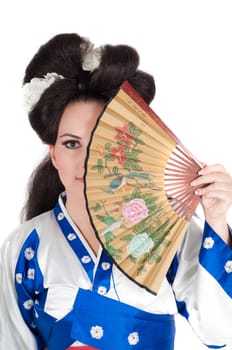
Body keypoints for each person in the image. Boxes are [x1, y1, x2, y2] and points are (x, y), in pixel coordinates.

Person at [0, 33, 232, 350]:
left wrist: (217, 218)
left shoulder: (171, 232)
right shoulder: (25, 246)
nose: (87, 160)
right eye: (71, 144)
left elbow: (220, 331)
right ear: (54, 154)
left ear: (124, 146)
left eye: (100, 141)